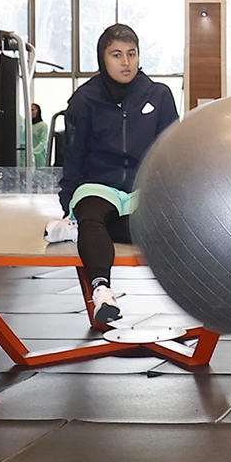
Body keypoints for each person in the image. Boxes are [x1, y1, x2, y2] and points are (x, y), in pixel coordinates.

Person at [50, 24, 179, 325]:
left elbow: (171, 151)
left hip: (141, 189)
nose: (126, 62)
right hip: (98, 186)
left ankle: (82, 229)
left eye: (131, 54)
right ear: (102, 58)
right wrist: (69, 204)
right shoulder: (84, 99)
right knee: (93, 215)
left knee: (153, 230)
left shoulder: (158, 95)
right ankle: (102, 291)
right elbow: (73, 155)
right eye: (117, 55)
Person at [29, 103, 51, 167]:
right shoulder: (27, 125)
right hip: (28, 156)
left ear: (38, 111)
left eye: (32, 110)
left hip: (40, 155)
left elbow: (43, 141)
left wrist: (33, 151)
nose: (31, 112)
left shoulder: (43, 125)